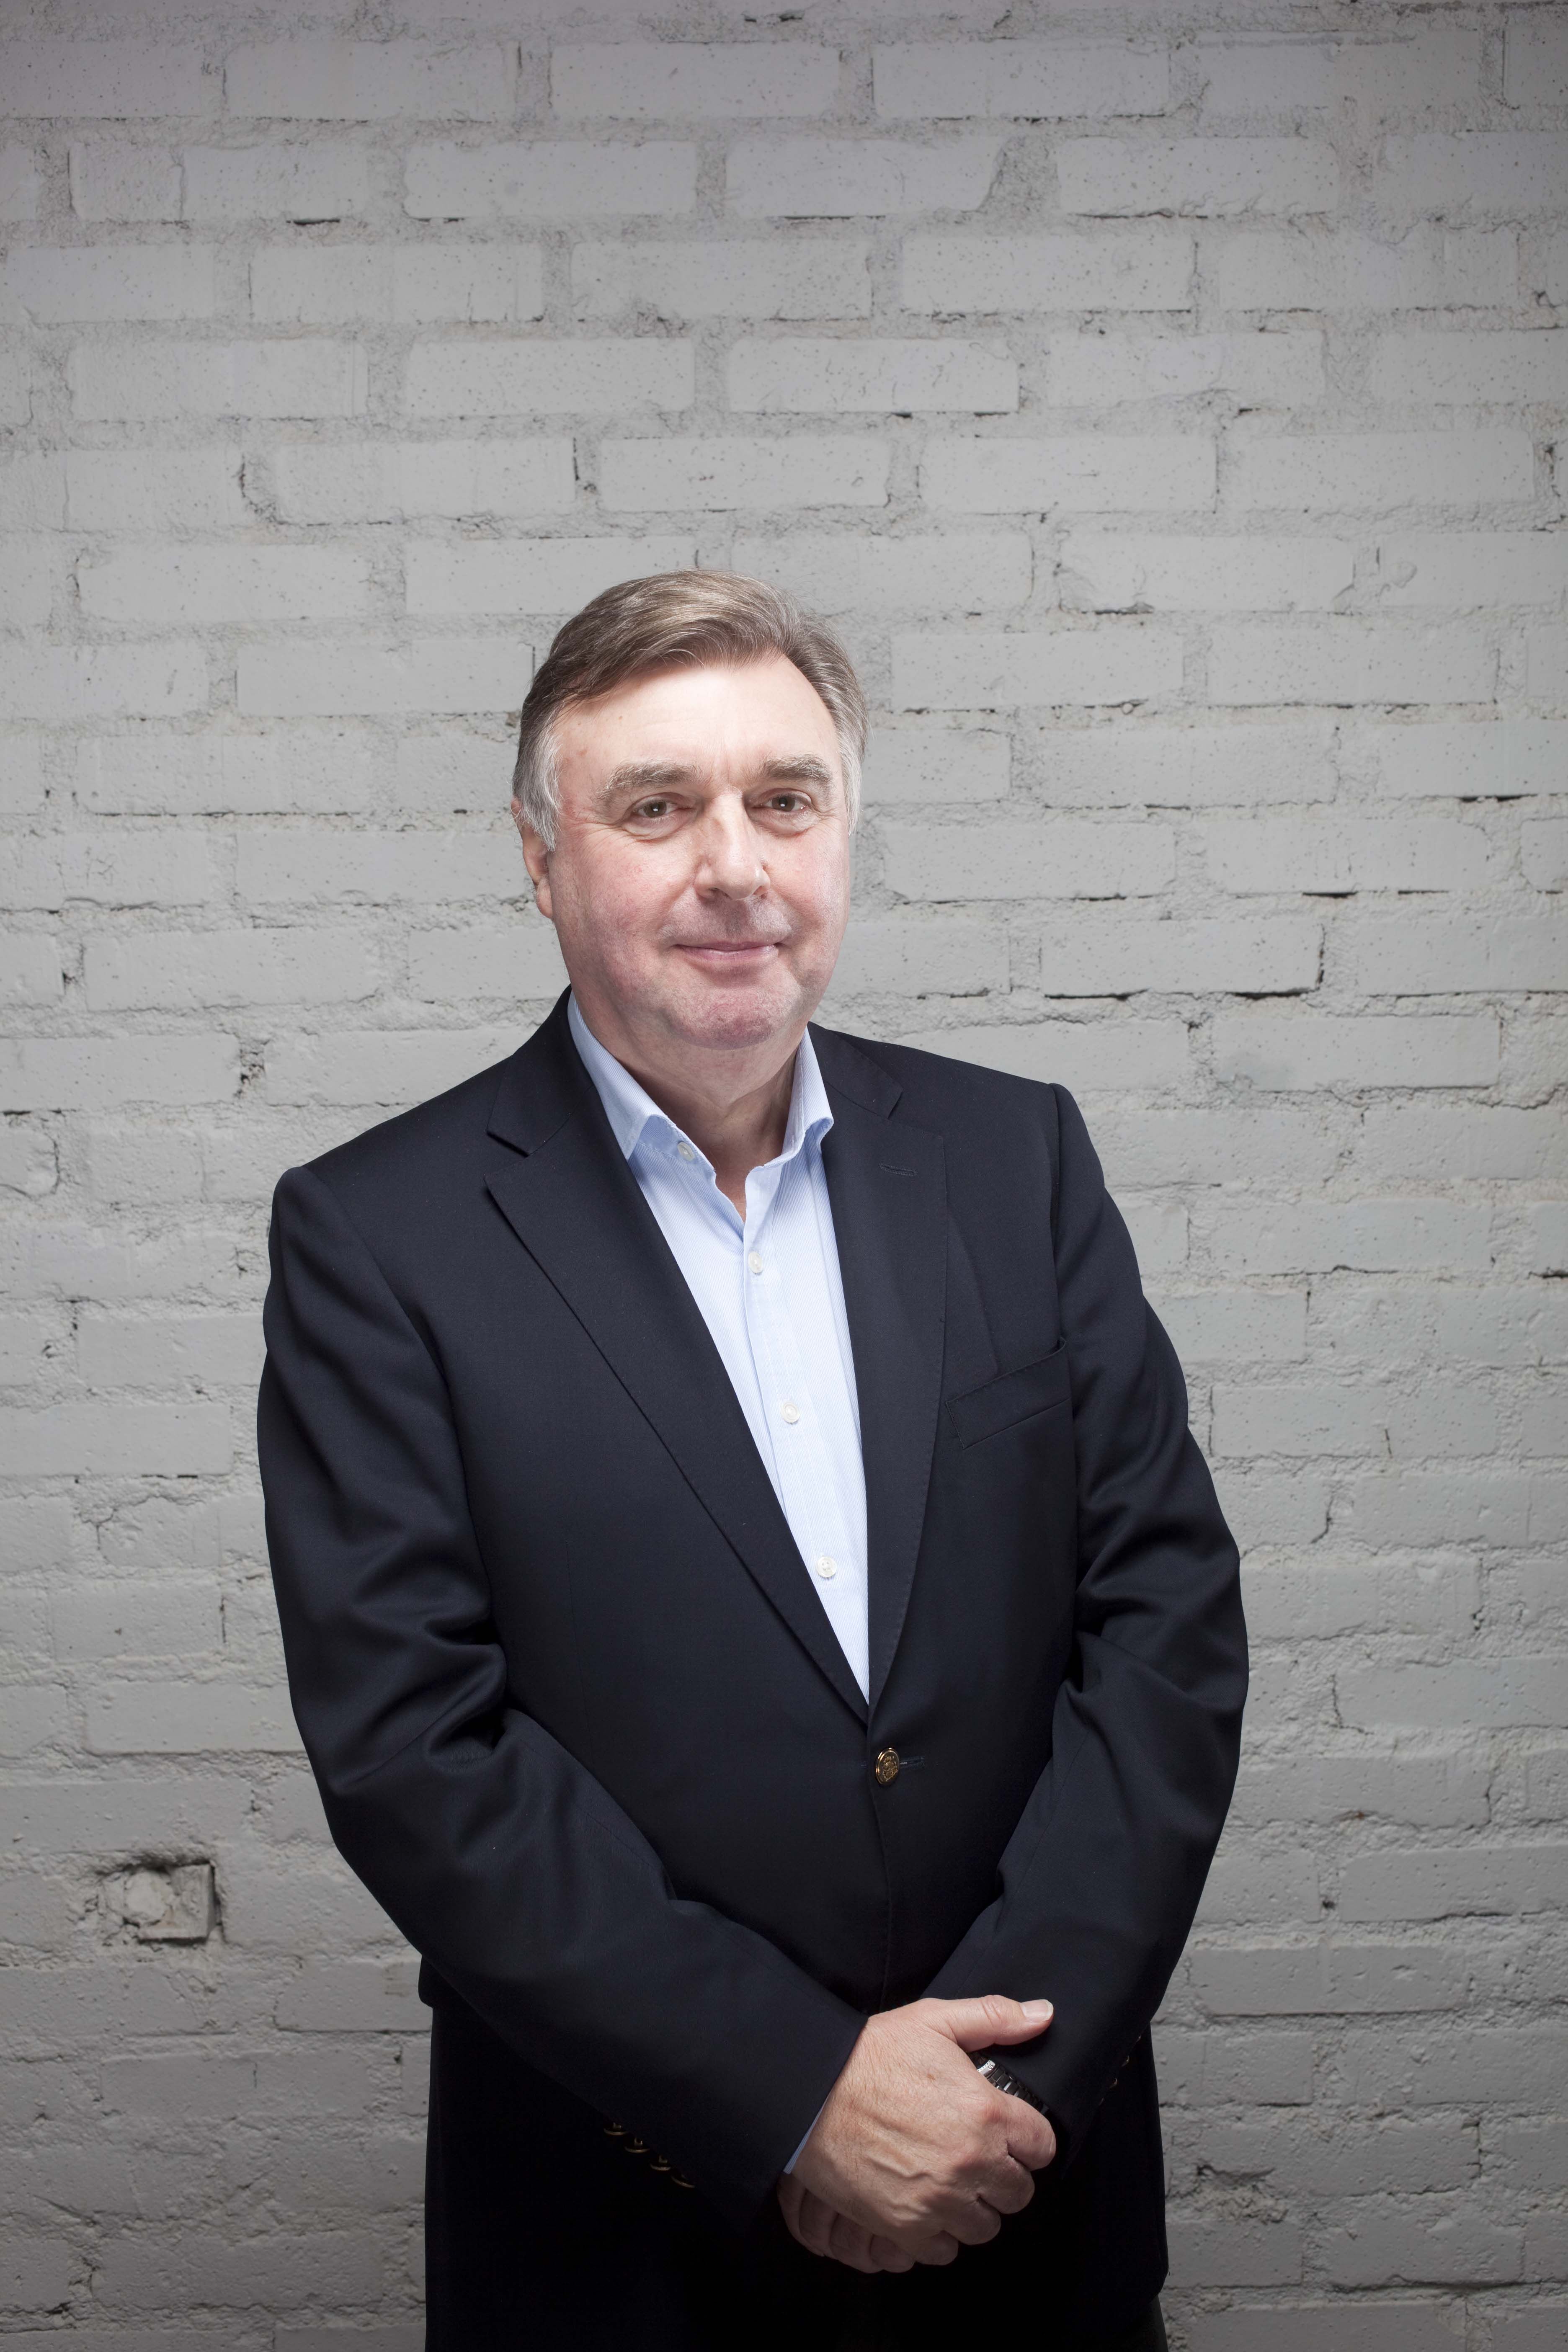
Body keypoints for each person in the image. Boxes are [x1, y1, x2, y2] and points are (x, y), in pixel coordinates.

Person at [258, 570, 1246, 2351]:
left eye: (786, 799)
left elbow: (1164, 1626)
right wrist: (800, 2094)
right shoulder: (377, 1238)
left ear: (843, 833)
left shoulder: (1015, 1160)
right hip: (619, 2236)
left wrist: (998, 2087)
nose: (736, 864)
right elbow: (418, 1751)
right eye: (656, 808)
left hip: (1028, 2195)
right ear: (540, 857)